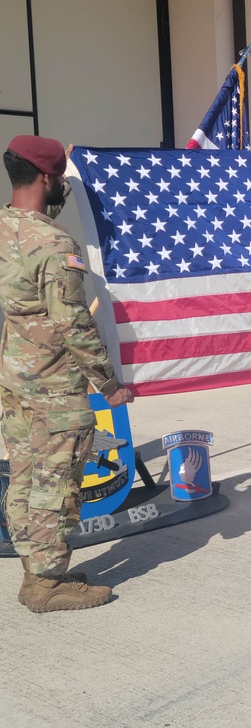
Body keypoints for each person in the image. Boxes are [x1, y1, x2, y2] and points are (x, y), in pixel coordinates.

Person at [1, 135, 134, 613]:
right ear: (45, 178)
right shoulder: (56, 245)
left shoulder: (4, 226)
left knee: (23, 478)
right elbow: (74, 323)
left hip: (16, 383)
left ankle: (35, 565)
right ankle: (44, 585)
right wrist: (110, 385)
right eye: (61, 180)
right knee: (55, 485)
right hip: (56, 391)